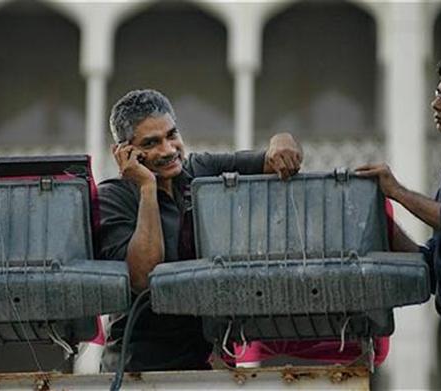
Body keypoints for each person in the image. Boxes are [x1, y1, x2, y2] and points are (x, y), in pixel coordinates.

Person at [97, 89, 303, 372]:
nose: (169, 150)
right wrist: (147, 189)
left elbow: (271, 161)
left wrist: (283, 140)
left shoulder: (200, 169)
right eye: (151, 143)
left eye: (172, 135)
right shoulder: (113, 197)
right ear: (124, 152)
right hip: (138, 368)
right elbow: (143, 277)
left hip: (204, 363)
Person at [356, 54, 441, 385]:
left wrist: (396, 190)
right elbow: (430, 266)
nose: (436, 104)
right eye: (438, 93)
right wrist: (380, 215)